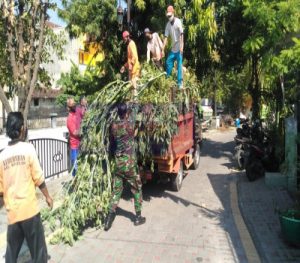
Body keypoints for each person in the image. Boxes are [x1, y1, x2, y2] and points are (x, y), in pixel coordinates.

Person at [0, 112, 53, 263]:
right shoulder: (28, 149)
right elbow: (38, 178)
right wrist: (48, 197)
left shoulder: (2, 157)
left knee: (11, 254)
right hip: (30, 212)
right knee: (38, 253)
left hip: (13, 214)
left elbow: (0, 190)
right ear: (22, 128)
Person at [104, 103, 145, 231]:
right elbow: (140, 120)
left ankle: (108, 220)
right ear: (126, 112)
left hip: (118, 163)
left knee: (116, 190)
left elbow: (111, 143)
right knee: (136, 188)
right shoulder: (130, 125)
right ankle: (138, 217)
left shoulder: (114, 126)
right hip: (129, 164)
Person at [163, 5, 184, 89]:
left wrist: (182, 46)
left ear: (173, 13)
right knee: (168, 62)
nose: (169, 17)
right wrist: (162, 49)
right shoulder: (167, 25)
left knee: (179, 64)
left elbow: (182, 34)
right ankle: (167, 80)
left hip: (179, 48)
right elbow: (165, 38)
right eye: (168, 16)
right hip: (173, 49)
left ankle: (180, 83)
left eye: (170, 16)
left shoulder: (178, 22)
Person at [120, 31, 140, 98]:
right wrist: (124, 66)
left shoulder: (131, 44)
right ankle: (133, 100)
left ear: (128, 37)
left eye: (124, 38)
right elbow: (129, 59)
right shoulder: (128, 45)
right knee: (131, 86)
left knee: (134, 86)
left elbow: (134, 57)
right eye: (123, 38)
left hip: (134, 68)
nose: (124, 40)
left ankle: (135, 101)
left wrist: (131, 64)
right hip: (131, 69)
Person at [67, 97, 81, 176]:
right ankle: (74, 185)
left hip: (80, 145)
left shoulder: (77, 113)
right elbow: (75, 133)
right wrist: (83, 130)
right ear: (69, 107)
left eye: (74, 104)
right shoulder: (69, 119)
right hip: (74, 147)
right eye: (72, 105)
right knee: (76, 168)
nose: (74, 105)